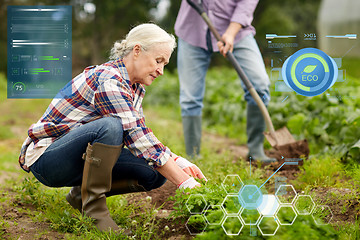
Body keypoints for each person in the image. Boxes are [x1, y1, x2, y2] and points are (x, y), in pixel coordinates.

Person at [18, 23, 206, 232]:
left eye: (165, 63)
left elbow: (140, 133)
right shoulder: (111, 80)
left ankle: (81, 195)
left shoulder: (134, 87)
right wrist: (185, 183)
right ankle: (95, 212)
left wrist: (177, 161)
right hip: (48, 159)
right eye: (158, 60)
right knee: (110, 126)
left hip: (77, 155)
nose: (161, 70)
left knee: (156, 172)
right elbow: (136, 136)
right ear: (137, 50)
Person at [175, 0, 276, 162]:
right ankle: (193, 157)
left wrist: (231, 32)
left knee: (260, 85)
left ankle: (256, 152)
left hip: (237, 32)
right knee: (190, 97)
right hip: (192, 31)